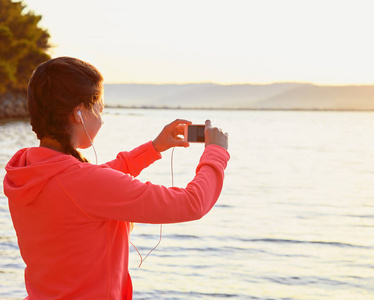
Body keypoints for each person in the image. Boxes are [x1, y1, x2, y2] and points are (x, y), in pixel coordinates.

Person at [3, 56, 230, 299]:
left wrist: (153, 148)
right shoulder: (82, 182)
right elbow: (191, 204)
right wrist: (216, 152)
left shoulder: (28, 170)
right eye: (99, 108)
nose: (102, 116)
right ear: (78, 113)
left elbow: (94, 183)